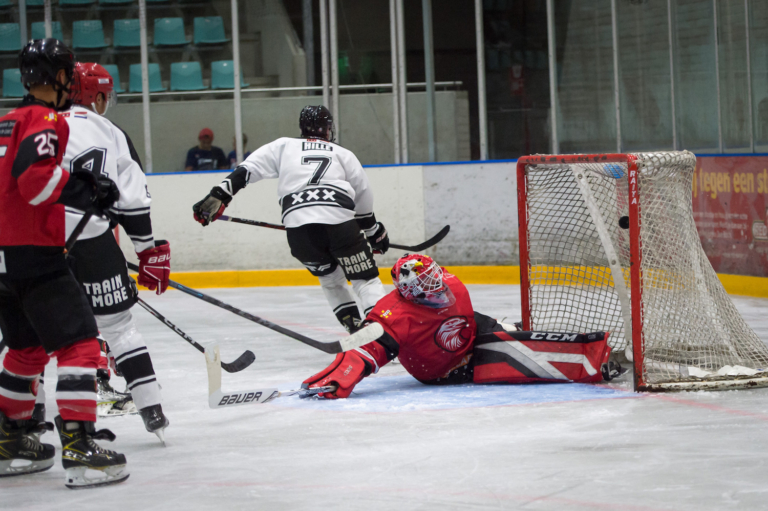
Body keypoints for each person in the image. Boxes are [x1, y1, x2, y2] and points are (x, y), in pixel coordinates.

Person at [0, 39, 128, 488]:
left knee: (26, 349)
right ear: (58, 77)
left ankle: (10, 439)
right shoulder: (45, 118)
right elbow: (35, 182)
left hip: (3, 259)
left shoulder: (6, 120)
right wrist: (85, 189)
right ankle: (80, 445)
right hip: (34, 255)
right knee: (81, 344)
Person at [303, 254, 623, 399]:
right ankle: (594, 361)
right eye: (429, 287)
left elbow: (465, 314)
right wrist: (341, 378)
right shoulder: (395, 316)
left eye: (437, 280)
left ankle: (507, 329)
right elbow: (365, 352)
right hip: (445, 366)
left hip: (467, 329)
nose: (439, 288)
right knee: (523, 353)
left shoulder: (447, 282)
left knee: (511, 332)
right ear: (410, 293)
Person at [192, 105, 389, 333]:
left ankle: (356, 330)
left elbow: (247, 170)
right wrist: (374, 233)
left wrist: (220, 194)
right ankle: (383, 334)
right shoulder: (343, 154)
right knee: (365, 280)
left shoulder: (283, 146)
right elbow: (363, 200)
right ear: (328, 129)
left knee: (330, 280)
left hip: (299, 232)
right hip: (341, 226)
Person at [53, 62, 170, 441]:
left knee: (32, 337)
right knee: (119, 327)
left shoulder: (38, 125)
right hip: (94, 240)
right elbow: (132, 200)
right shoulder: (110, 131)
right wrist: (147, 250)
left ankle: (26, 422)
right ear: (97, 96)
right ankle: (152, 409)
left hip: (41, 241)